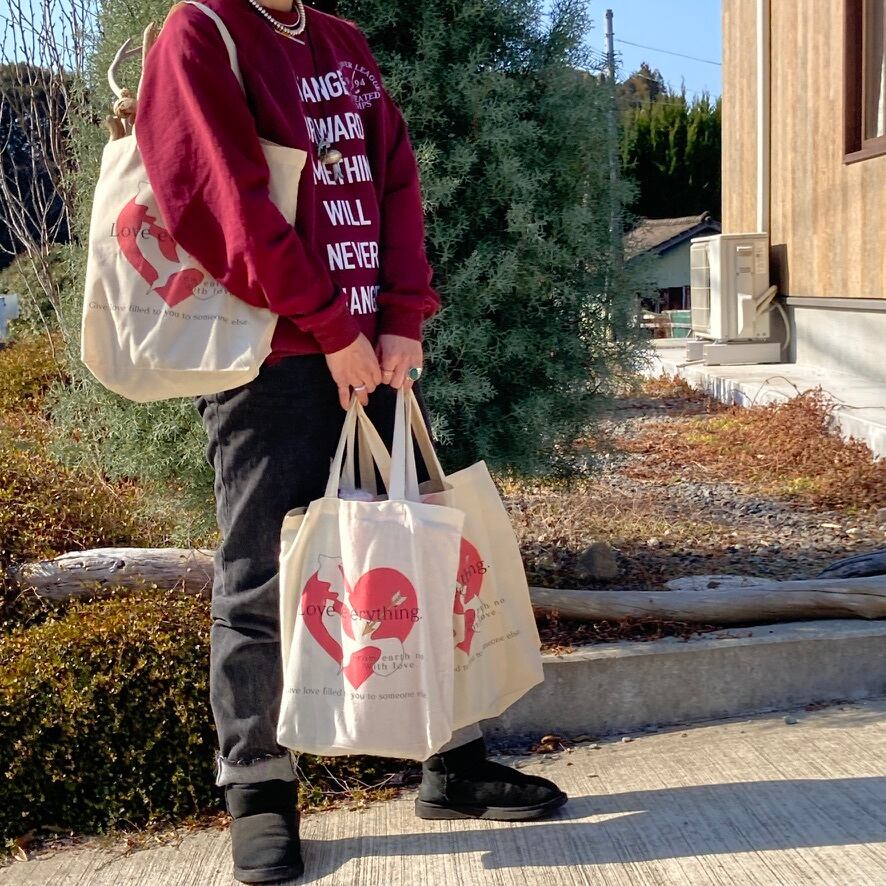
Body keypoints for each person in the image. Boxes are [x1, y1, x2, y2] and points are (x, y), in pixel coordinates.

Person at [137, 0, 566, 881]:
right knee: (262, 577)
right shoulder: (201, 32)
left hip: (371, 347)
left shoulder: (341, 43)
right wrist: (331, 325)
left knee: (420, 546)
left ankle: (450, 760)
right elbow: (219, 203)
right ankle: (258, 788)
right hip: (269, 360)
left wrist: (402, 314)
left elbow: (393, 176)